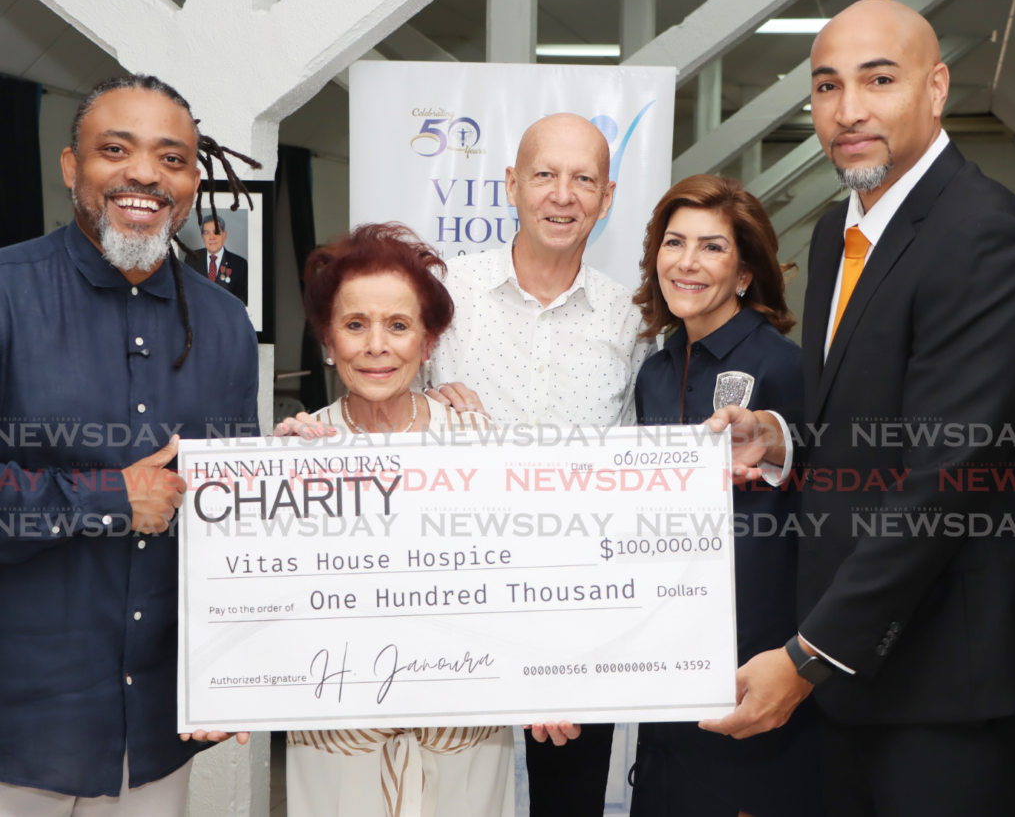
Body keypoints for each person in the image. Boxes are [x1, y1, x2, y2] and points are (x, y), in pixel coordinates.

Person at [701, 0, 1015, 815]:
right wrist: (774, 438)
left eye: (878, 80)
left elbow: (948, 475)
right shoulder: (834, 230)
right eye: (826, 86)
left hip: (940, 688)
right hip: (853, 684)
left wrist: (807, 654)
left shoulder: (985, 233)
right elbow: (866, 425)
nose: (848, 111)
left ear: (936, 86)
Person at [0, 74, 261, 814]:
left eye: (171, 158)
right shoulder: (6, 294)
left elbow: (232, 529)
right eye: (116, 150)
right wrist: (113, 497)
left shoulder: (225, 324)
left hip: (156, 729)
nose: (145, 173)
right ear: (70, 167)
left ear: (192, 180)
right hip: (20, 727)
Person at [426, 113, 652, 817]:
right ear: (512, 185)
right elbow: (381, 409)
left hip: (577, 614)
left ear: (607, 196)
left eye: (583, 179)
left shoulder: (632, 319)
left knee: (571, 803)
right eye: (545, 175)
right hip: (453, 605)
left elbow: (642, 461)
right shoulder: (442, 296)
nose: (563, 195)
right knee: (451, 799)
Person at [274, 223, 515, 817]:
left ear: (429, 344)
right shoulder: (295, 453)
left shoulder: (480, 441)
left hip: (464, 744)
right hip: (338, 746)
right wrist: (275, 480)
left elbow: (517, 587)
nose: (376, 345)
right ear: (328, 341)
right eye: (355, 325)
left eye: (399, 326)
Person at [627, 175, 822, 817]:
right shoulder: (655, 371)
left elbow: (825, 494)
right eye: (674, 242)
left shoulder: (788, 368)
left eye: (711, 247)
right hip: (668, 654)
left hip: (754, 658)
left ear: (743, 273)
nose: (686, 262)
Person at [184, 214, 249, 305]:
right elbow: (186, 295)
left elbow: (243, 304)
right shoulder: (191, 258)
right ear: (203, 237)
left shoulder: (240, 264)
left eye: (216, 232)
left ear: (224, 235)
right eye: (207, 233)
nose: (212, 237)